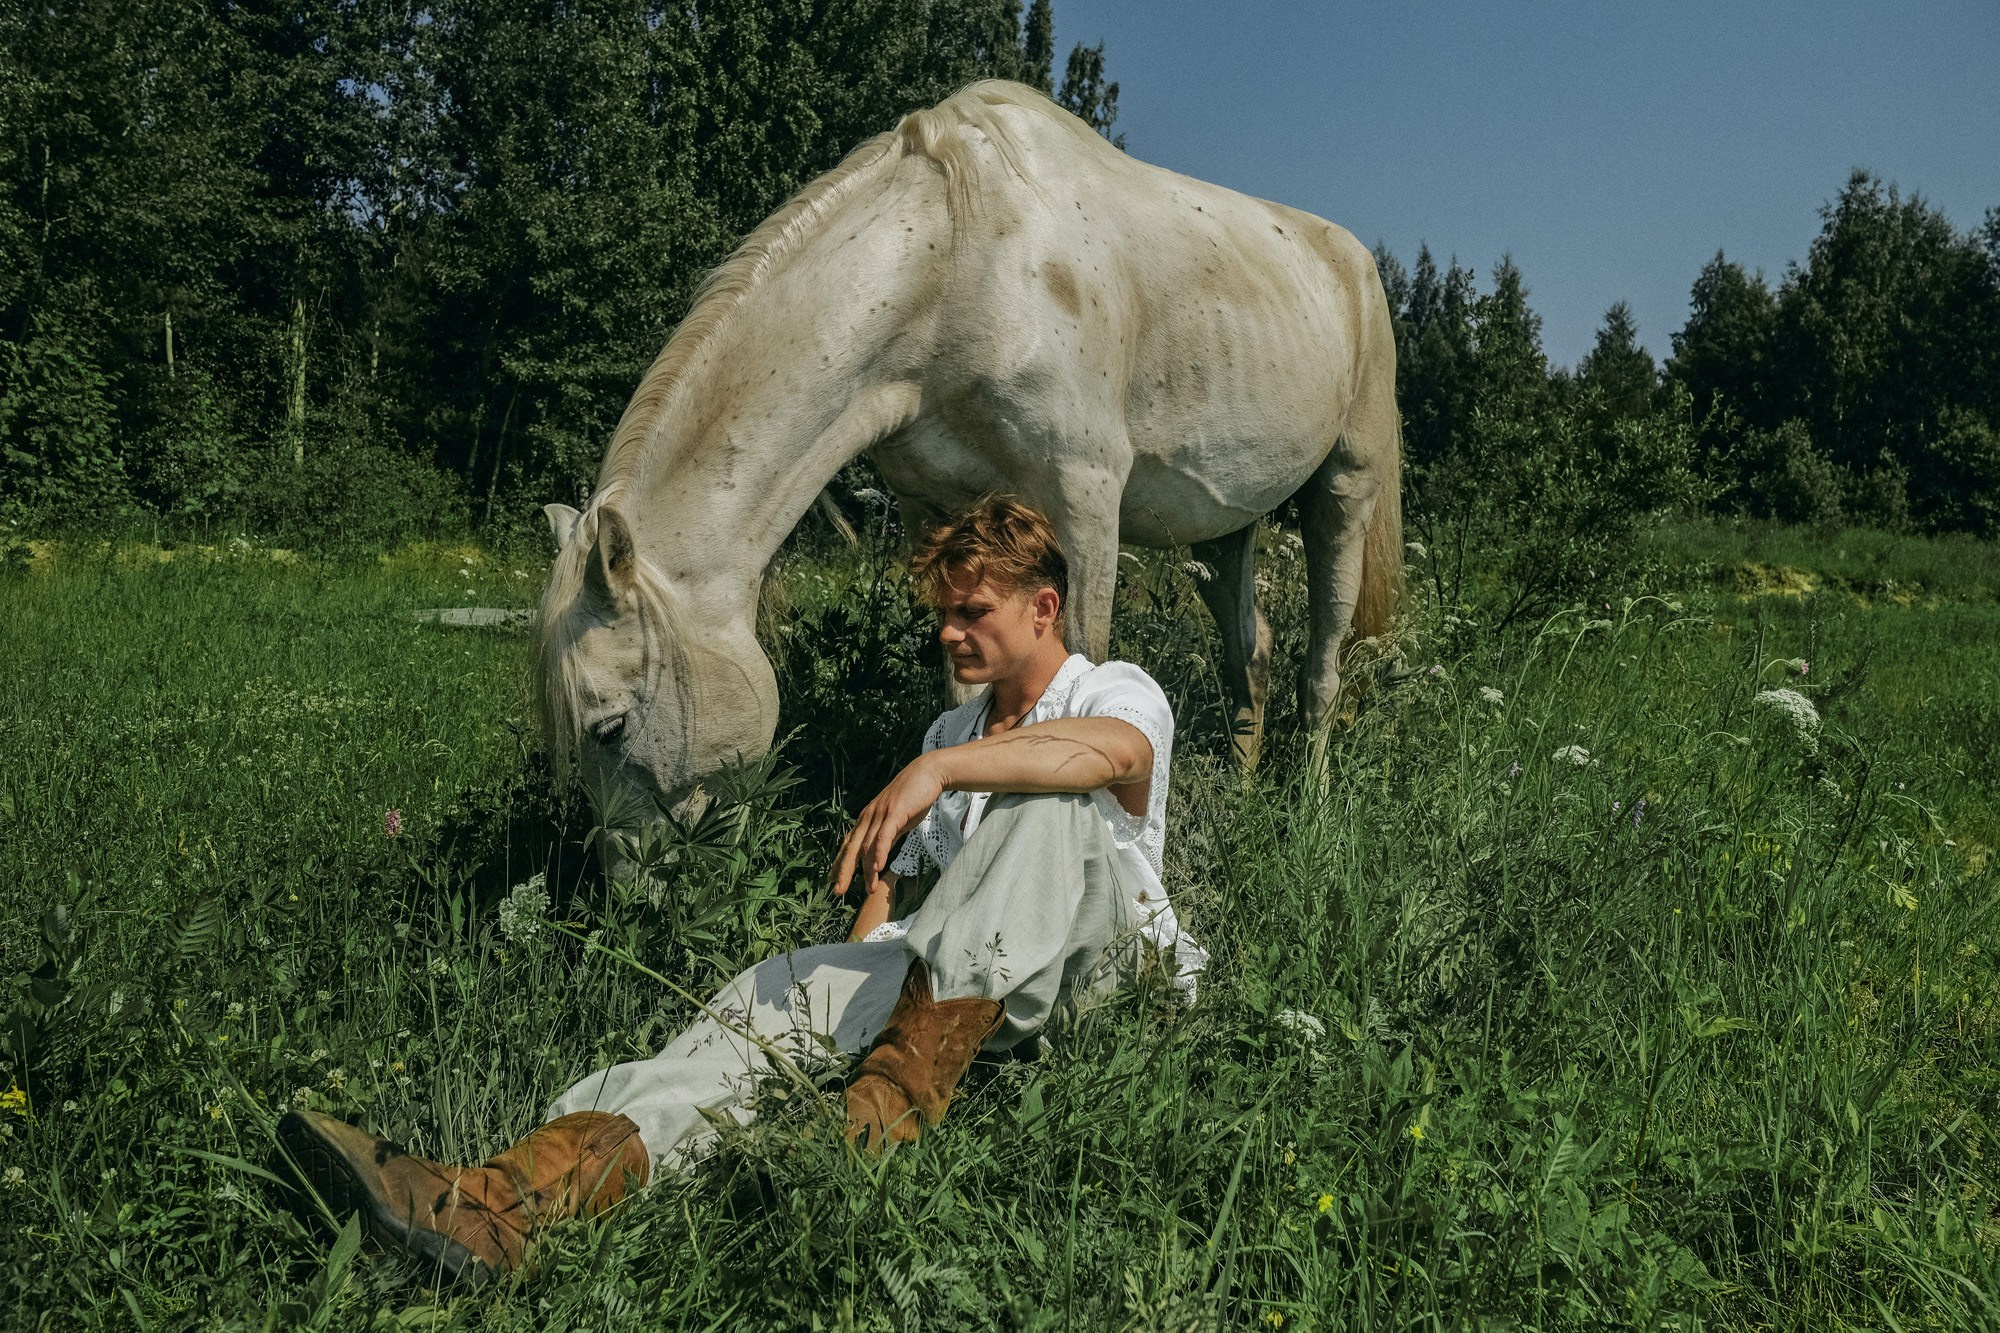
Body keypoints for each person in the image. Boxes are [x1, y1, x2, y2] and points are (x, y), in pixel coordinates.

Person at [278, 496, 1206, 1287]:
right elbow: (895, 888)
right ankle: (502, 1203)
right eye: (944, 613)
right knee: (763, 998)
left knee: (1045, 802)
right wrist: (833, 976)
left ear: (1044, 607)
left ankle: (867, 1139)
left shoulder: (1110, 688)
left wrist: (941, 771)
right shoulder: (953, 724)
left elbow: (1118, 758)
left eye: (973, 611)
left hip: (1099, 967)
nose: (950, 632)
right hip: (963, 979)